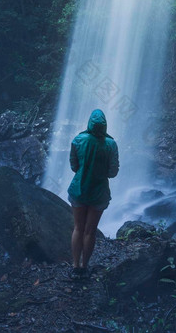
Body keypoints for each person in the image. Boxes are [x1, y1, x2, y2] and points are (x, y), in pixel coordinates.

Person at [67, 109, 119, 278]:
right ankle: (85, 266)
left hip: (79, 190)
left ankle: (75, 266)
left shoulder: (78, 140)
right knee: (90, 231)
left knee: (78, 228)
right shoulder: (111, 144)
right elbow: (113, 172)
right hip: (99, 193)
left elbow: (74, 167)